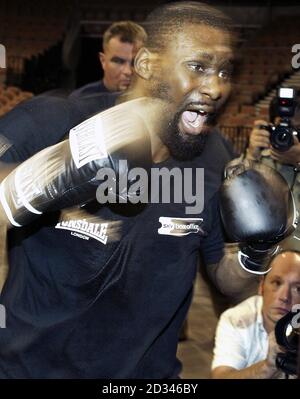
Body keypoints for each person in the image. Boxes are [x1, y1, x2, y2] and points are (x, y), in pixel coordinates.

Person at [0, 2, 283, 378]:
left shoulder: (215, 156)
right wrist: (55, 173)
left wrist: (257, 251)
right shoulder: (54, 120)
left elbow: (223, 277)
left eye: (224, 71)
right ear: (148, 64)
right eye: (198, 66)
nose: (216, 87)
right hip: (31, 369)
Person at [211, 245, 300, 379]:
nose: (284, 297)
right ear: (261, 286)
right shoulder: (237, 319)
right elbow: (220, 376)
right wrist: (268, 367)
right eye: (276, 283)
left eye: (298, 289)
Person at [243, 91, 300, 215]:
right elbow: (235, 193)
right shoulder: (260, 156)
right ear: (271, 126)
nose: (286, 135)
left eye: (296, 130)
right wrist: (251, 156)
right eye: (283, 128)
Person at [69, 21, 147, 98]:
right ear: (103, 61)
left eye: (135, 62)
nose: (128, 72)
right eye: (118, 61)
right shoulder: (80, 100)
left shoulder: (154, 102)